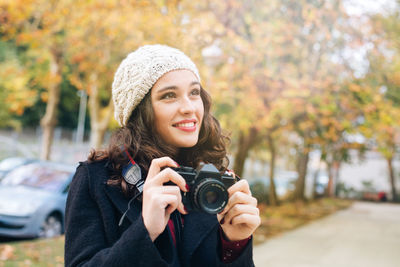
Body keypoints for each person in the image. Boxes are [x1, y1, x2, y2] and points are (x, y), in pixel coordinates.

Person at [64, 44, 260, 267]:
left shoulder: (212, 181)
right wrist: (145, 230)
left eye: (194, 93)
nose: (189, 107)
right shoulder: (95, 179)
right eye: (169, 95)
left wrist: (234, 244)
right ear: (140, 111)